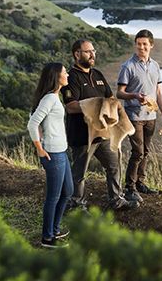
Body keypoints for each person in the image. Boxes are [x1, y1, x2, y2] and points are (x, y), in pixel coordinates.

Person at [62, 39, 138, 211]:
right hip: (82, 136)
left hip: (103, 133)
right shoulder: (71, 78)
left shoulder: (97, 74)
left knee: (114, 165)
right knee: (79, 174)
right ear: (77, 54)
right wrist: (97, 103)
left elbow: (110, 99)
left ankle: (116, 199)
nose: (92, 54)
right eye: (88, 51)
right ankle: (76, 205)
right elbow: (71, 106)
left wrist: (112, 106)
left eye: (93, 51)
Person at [117, 29, 162, 202]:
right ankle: (129, 188)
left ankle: (140, 182)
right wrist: (134, 96)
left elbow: (159, 92)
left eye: (145, 44)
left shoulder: (155, 66)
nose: (141, 47)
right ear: (135, 45)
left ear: (151, 46)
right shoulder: (128, 66)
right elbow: (119, 93)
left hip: (151, 116)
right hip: (133, 115)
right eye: (138, 44)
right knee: (138, 152)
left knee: (146, 151)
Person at [27, 62, 73, 248]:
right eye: (65, 72)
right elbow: (32, 123)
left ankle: (54, 229)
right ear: (57, 77)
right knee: (53, 197)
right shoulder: (49, 99)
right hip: (52, 154)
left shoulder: (54, 97)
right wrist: (39, 147)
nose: (67, 74)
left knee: (68, 191)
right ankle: (47, 238)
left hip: (61, 151)